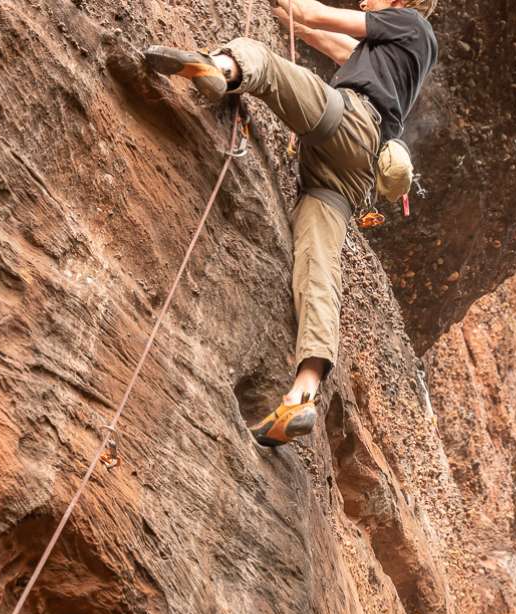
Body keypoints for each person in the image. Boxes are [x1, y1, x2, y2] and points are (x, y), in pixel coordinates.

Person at [145, 0, 437, 446]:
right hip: (353, 172)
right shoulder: (401, 49)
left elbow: (319, 15)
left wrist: (296, 7)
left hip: (350, 121)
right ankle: (302, 396)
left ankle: (219, 68)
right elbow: (331, 41)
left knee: (261, 59)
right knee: (319, 268)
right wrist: (290, 16)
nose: (363, 1)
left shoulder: (407, 21)